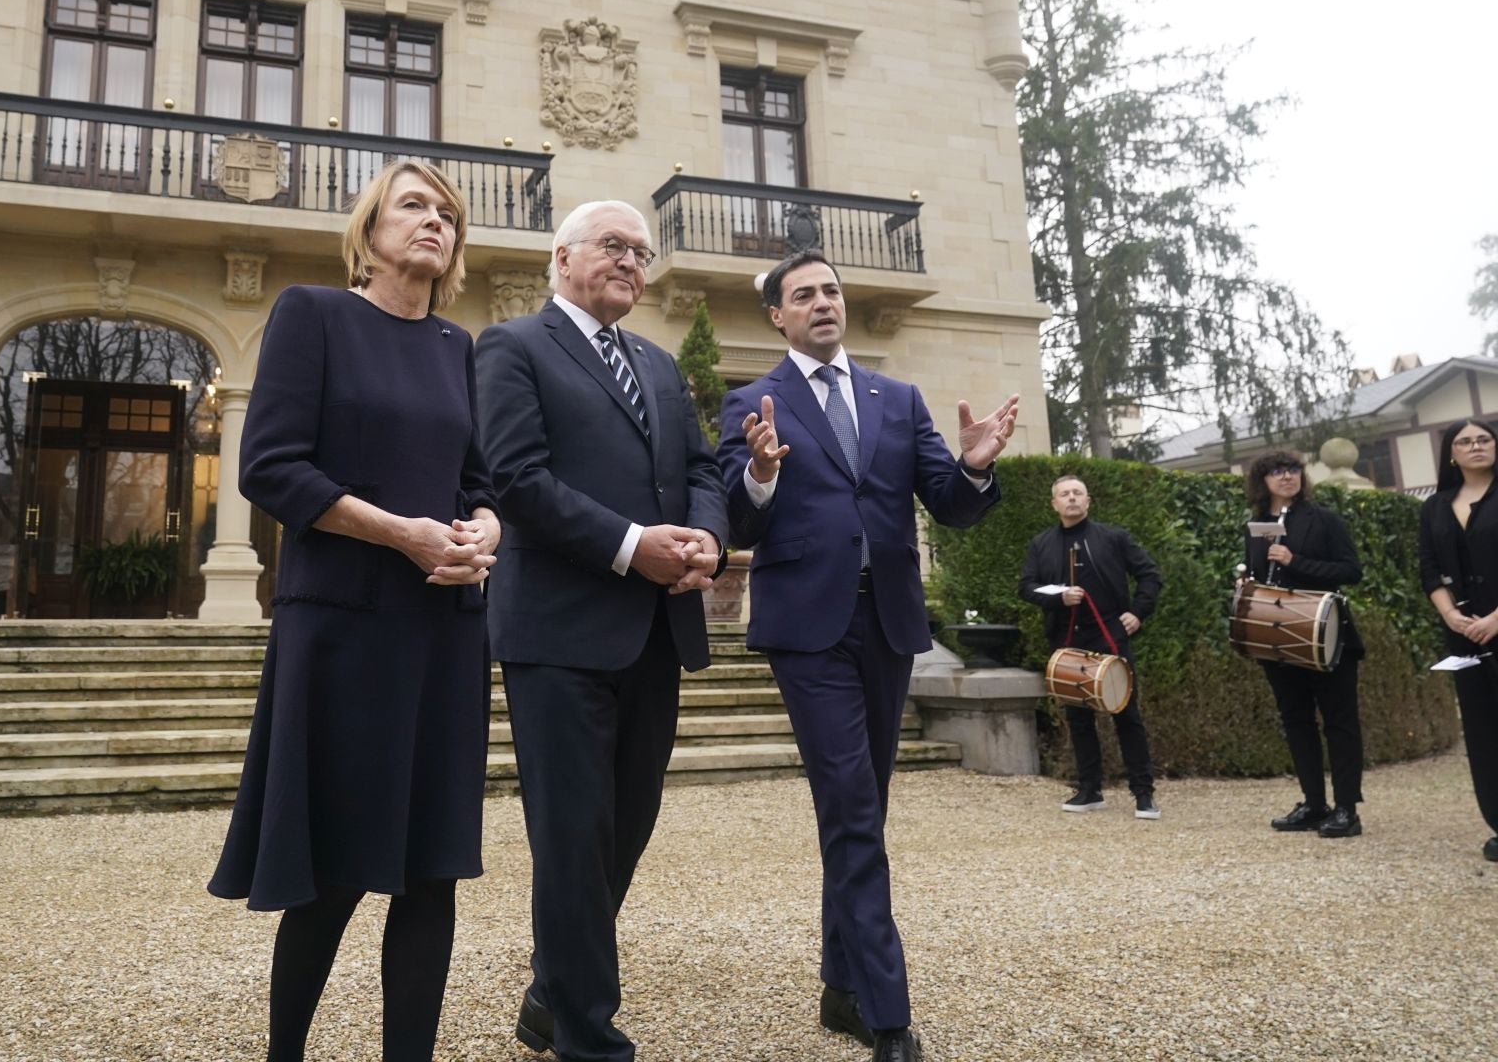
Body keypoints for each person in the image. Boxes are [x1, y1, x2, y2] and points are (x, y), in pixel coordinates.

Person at [208, 159, 500, 1062]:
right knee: (333, 872)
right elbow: (271, 468)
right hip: (344, 630)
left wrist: (484, 530)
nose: (435, 221)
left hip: (444, 633)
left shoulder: (458, 347)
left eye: (447, 213)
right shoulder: (313, 314)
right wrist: (402, 534)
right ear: (369, 230)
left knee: (432, 872)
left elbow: (479, 482)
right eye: (413, 205)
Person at [716, 251, 1016, 1062]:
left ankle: (839, 985)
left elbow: (947, 505)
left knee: (862, 809)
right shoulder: (751, 402)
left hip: (886, 623)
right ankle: (888, 1015)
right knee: (852, 808)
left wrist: (975, 466)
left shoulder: (898, 398)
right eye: (803, 294)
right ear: (777, 316)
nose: (823, 302)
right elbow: (737, 523)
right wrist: (760, 473)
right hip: (806, 630)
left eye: (831, 291)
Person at [476, 199, 728, 1062]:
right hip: (558, 633)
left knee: (627, 826)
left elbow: (702, 470)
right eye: (614, 245)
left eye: (641, 253)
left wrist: (706, 538)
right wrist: (631, 547)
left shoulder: (659, 363)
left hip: (656, 631)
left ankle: (552, 994)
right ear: (562, 257)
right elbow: (516, 479)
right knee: (573, 838)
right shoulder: (512, 347)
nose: (631, 262)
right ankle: (590, 1037)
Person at [1019, 474, 1164, 819]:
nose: (1071, 498)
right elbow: (1026, 587)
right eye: (1064, 494)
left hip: (1109, 635)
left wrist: (1137, 613)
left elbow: (1150, 575)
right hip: (1067, 640)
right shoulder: (1041, 543)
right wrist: (1059, 598)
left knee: (1126, 714)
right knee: (1078, 717)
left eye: (1077, 493)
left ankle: (1143, 793)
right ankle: (1089, 789)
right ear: (1054, 504)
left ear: (1088, 501)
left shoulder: (1114, 538)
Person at [1241, 449, 1367, 838]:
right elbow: (1260, 575)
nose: (1287, 476)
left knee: (1340, 722)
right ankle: (1314, 804)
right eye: (1277, 471)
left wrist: (1295, 561)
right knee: (1296, 721)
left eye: (1293, 469)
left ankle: (1346, 810)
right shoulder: (1257, 526)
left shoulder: (1324, 520)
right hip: (1277, 637)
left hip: (1327, 635)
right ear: (1263, 481)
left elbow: (1351, 571)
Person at [1418, 418, 1498, 863]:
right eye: (1465, 442)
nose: (1475, 446)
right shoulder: (1434, 507)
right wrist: (1450, 615)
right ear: (1451, 453)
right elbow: (1428, 568)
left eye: (1484, 439)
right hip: (1465, 637)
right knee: (1484, 733)